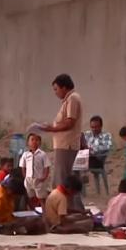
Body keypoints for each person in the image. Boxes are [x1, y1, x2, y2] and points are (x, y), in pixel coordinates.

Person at [39, 74, 84, 210]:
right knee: (65, 177)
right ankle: (69, 208)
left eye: (56, 89)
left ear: (64, 87)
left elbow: (70, 122)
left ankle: (67, 209)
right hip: (63, 145)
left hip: (67, 145)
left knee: (63, 179)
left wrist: (51, 128)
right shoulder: (68, 100)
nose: (55, 92)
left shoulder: (73, 98)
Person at [20, 133, 52, 208]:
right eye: (32, 140)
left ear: (40, 142)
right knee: (29, 197)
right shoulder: (25, 154)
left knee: (41, 197)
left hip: (39, 179)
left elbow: (47, 167)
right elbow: (23, 167)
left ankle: (44, 213)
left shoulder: (42, 154)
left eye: (37, 140)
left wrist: (44, 177)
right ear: (28, 142)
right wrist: (25, 177)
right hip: (28, 179)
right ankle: (31, 212)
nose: (34, 142)